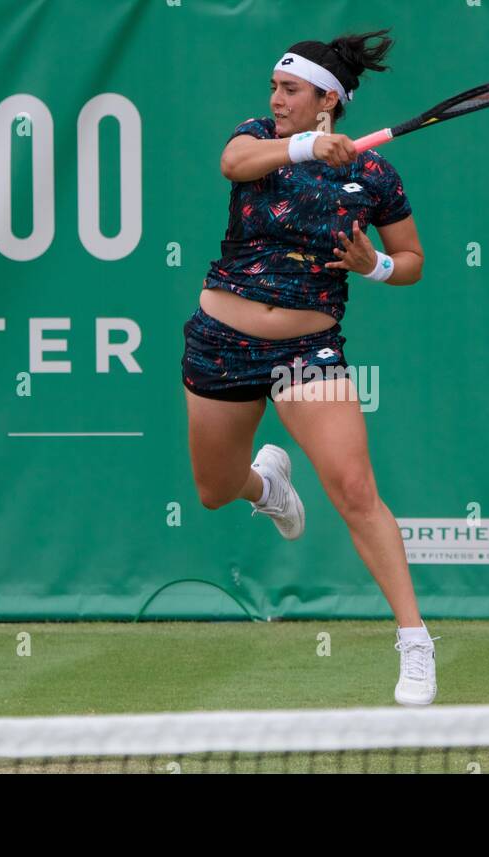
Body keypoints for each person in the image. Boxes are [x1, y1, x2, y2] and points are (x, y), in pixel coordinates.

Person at [180, 28, 438, 706]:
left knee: (355, 490)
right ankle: (266, 488)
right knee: (213, 488)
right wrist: (302, 145)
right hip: (221, 340)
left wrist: (374, 265)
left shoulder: (375, 177)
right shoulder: (259, 136)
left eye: (289, 89)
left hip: (307, 354)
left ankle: (415, 641)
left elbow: (411, 261)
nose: (276, 98)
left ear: (328, 97)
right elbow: (233, 163)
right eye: (274, 86)